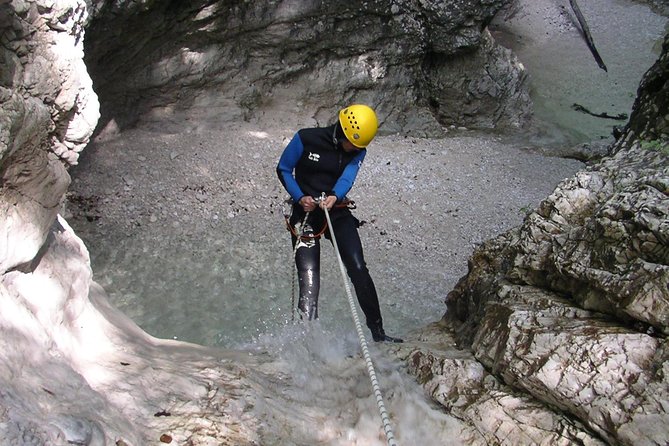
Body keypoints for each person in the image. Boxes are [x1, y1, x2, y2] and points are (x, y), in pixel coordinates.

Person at [276, 104, 403, 343]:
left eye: (359, 148)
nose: (356, 151)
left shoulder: (358, 150)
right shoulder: (306, 139)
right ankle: (308, 341)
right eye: (353, 145)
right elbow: (283, 168)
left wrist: (335, 195)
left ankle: (379, 333)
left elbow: (349, 174)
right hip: (306, 213)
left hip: (336, 210)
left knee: (358, 267)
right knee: (309, 276)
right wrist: (299, 197)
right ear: (342, 133)